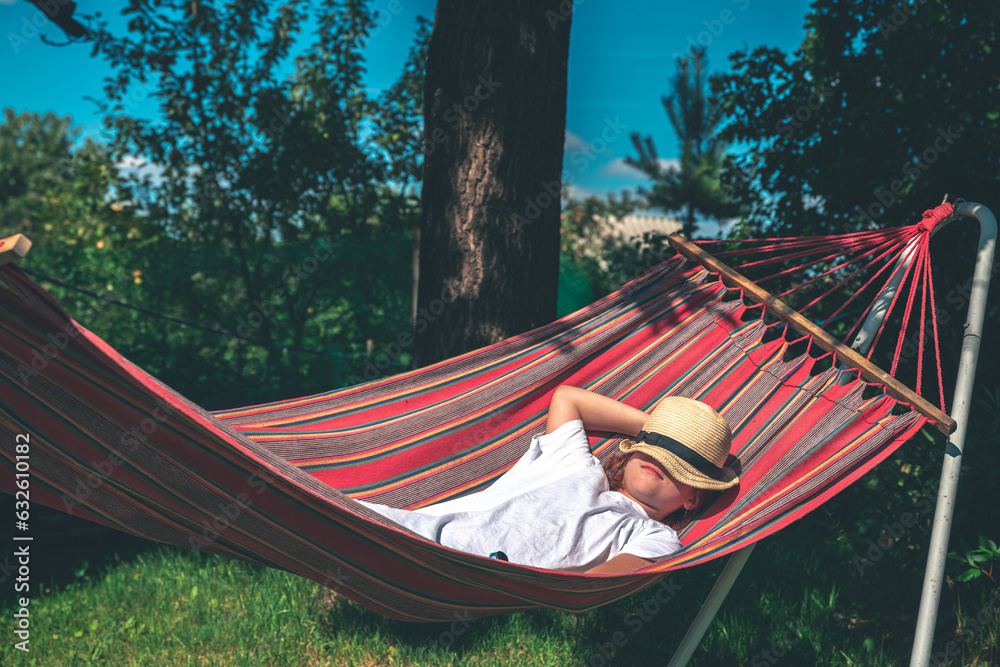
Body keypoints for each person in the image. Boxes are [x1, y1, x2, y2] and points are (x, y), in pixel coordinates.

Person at [357, 385, 739, 574]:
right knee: (316, 507)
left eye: (678, 465)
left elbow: (594, 583)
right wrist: (662, 431)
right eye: (654, 449)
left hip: (477, 573)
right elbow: (567, 398)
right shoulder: (575, 465)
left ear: (692, 499)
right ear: (633, 449)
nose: (659, 461)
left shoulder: (656, 537)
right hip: (410, 532)